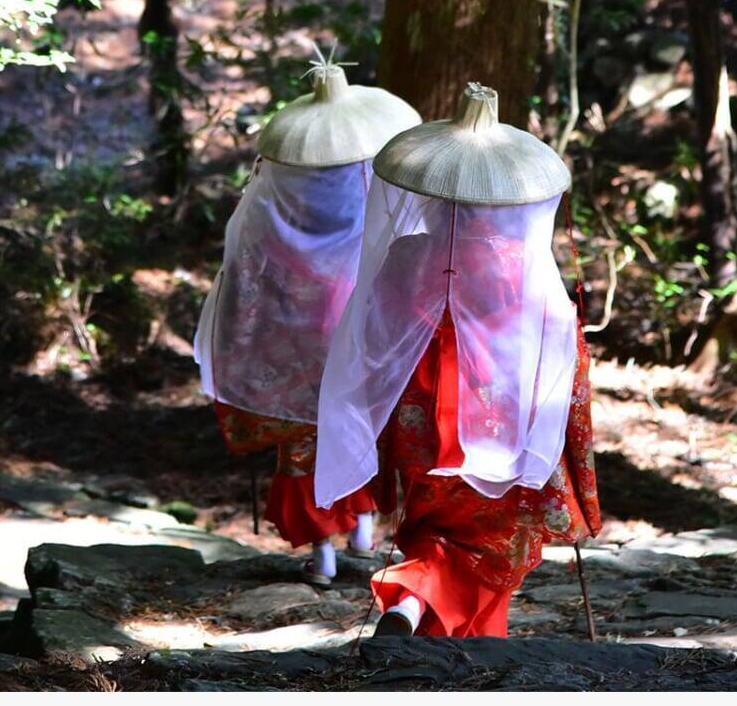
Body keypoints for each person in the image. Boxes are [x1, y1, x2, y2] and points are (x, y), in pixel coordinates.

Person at [313, 83, 601, 633]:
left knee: (432, 526)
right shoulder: (523, 266)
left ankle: (415, 607)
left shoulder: (405, 255)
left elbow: (374, 335)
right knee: (496, 540)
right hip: (503, 425)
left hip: (418, 423)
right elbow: (567, 360)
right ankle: (427, 609)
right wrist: (576, 451)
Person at [194, 53, 420, 585]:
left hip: (290, 332)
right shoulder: (366, 177)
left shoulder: (276, 198)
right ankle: (364, 521)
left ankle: (323, 552)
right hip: (355, 315)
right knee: (359, 422)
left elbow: (242, 273)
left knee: (302, 442)